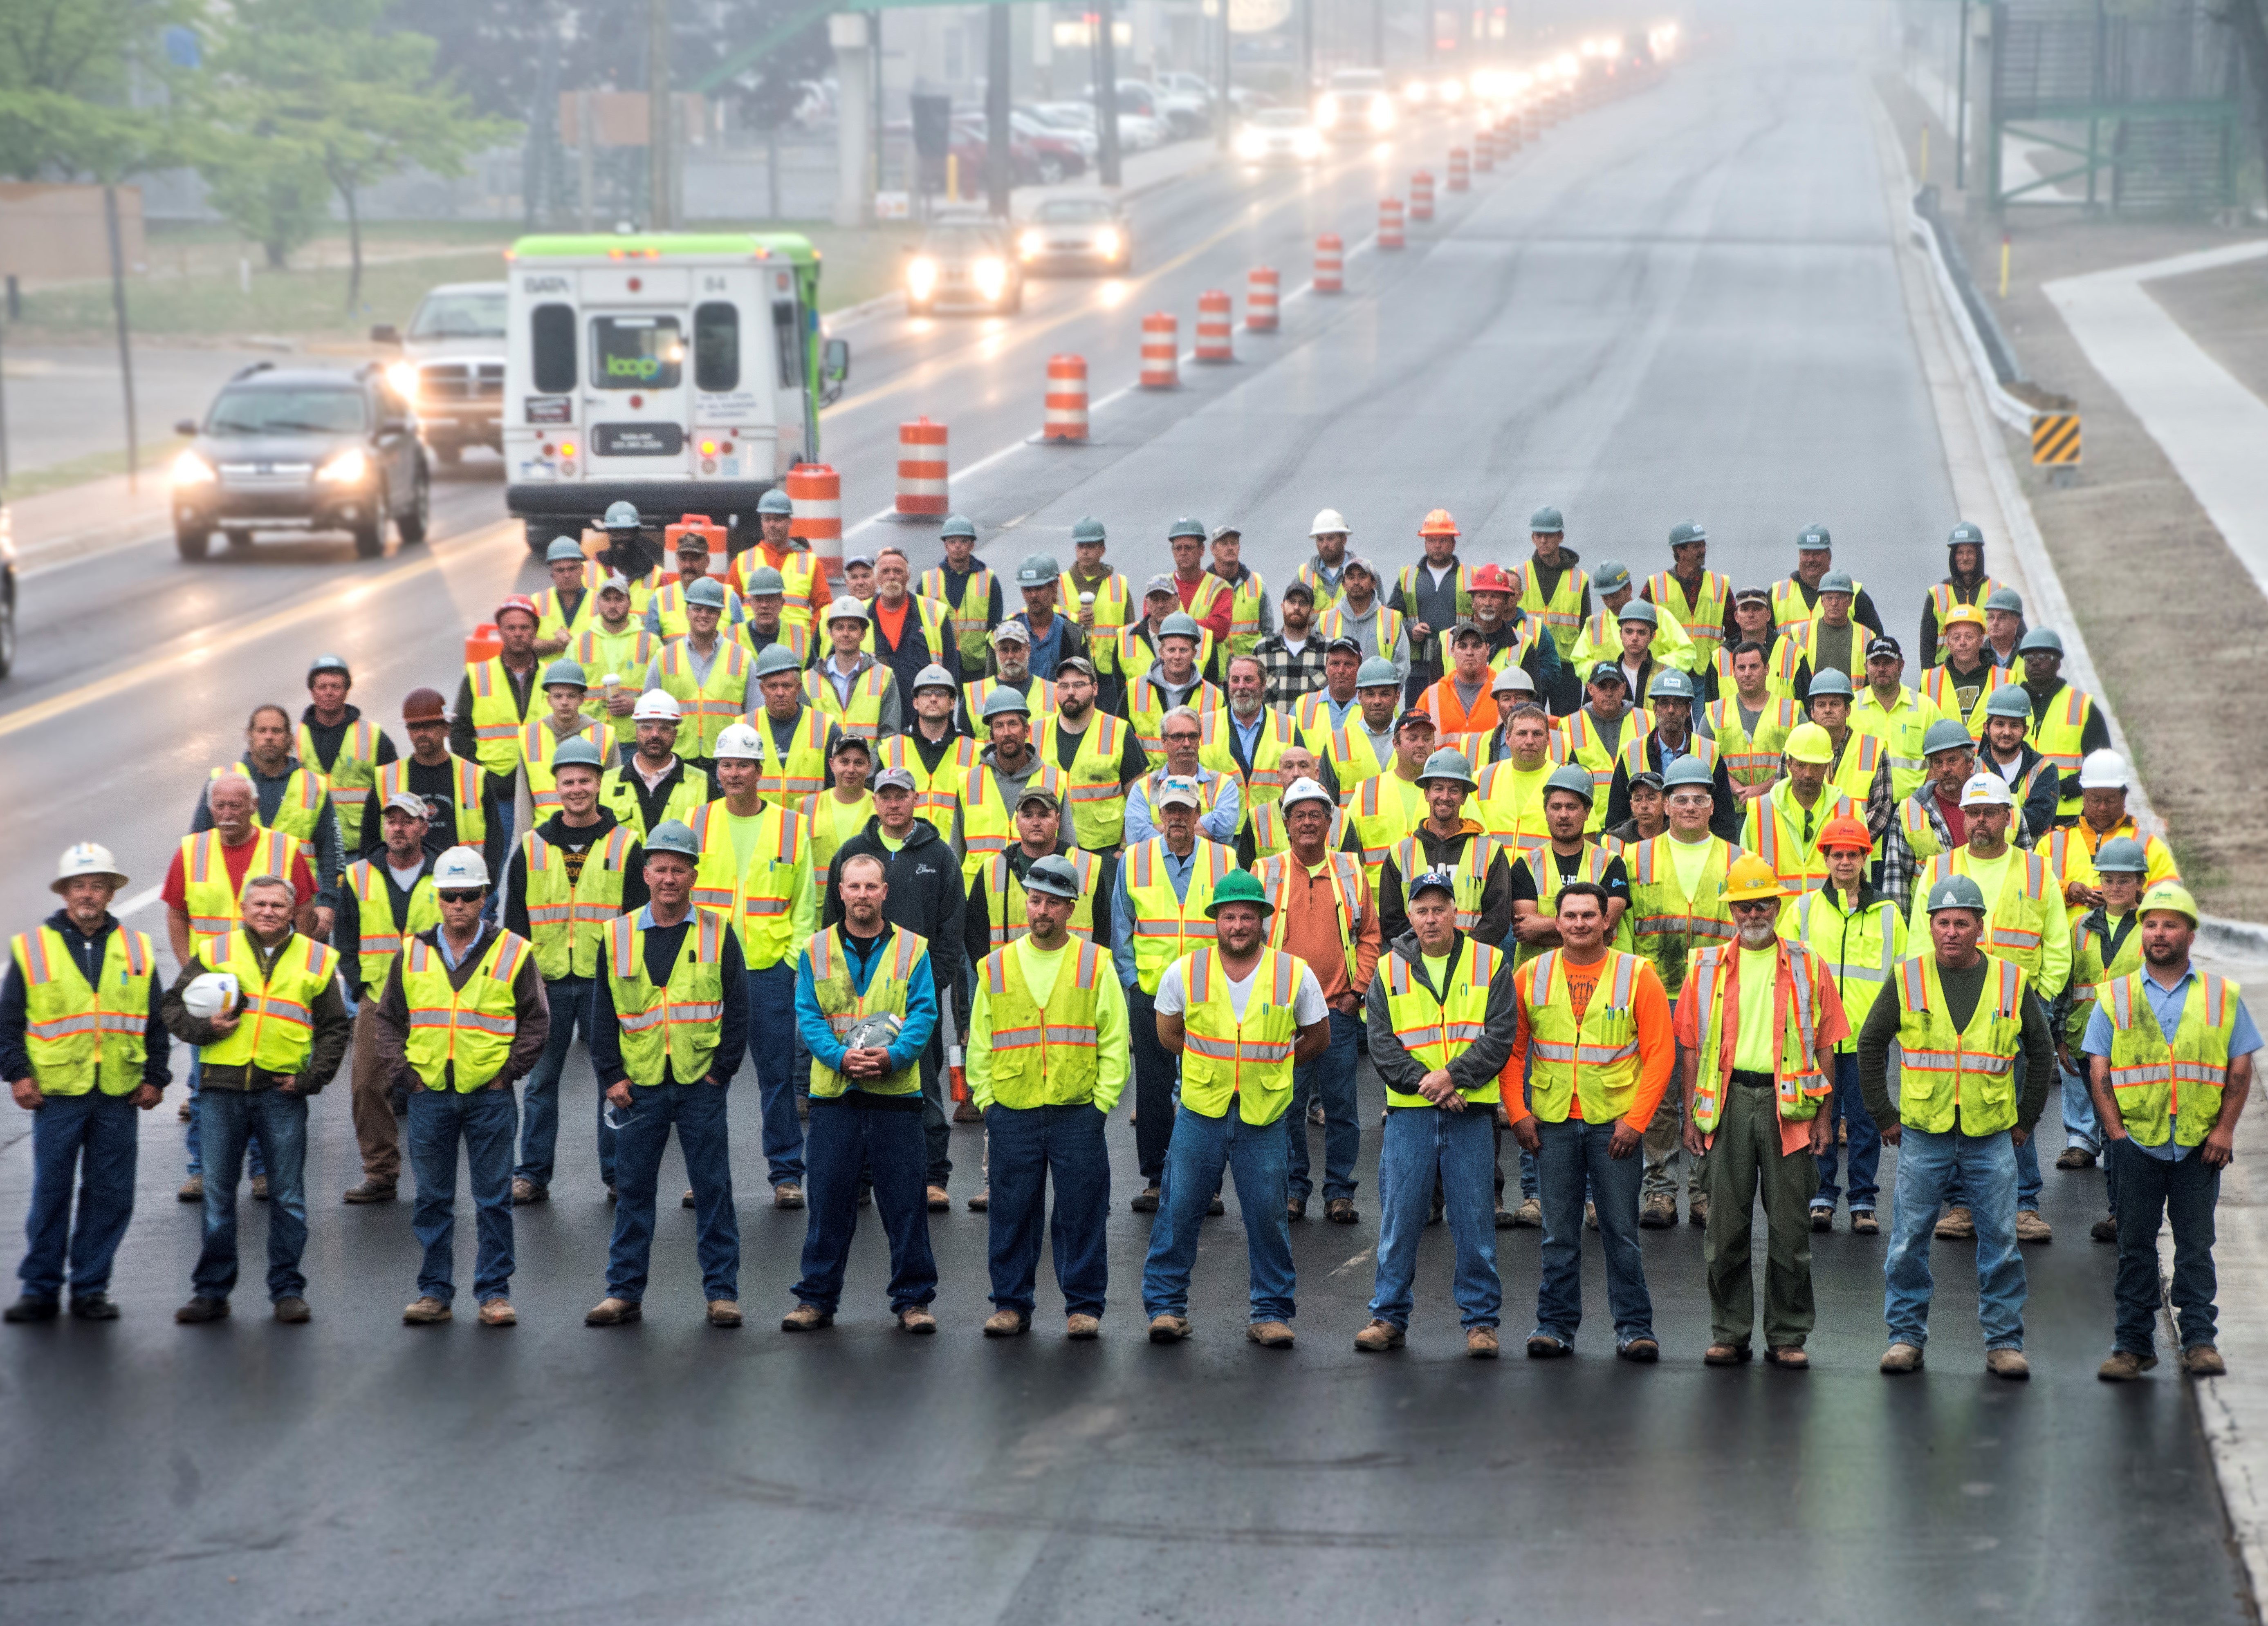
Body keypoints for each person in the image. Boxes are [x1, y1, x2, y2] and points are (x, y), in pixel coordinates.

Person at [1860, 874, 2057, 1379]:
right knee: (1908, 1240)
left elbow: (2040, 1051)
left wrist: (2027, 1119)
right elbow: (1870, 1043)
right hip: (1924, 1134)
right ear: (1930, 926)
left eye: (1962, 923)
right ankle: (1905, 1338)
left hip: (1991, 1136)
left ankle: (2004, 1343)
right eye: (1943, 922)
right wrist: (1884, 1114)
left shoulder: (2012, 982)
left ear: (1979, 927)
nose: (1951, 932)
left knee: (2001, 1243)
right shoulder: (1907, 979)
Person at [1141, 871, 1332, 1348]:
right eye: (1230, 916)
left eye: (1248, 916)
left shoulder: (1294, 973)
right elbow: (1168, 1033)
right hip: (1201, 1112)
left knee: (1268, 1217)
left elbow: (1318, 1037)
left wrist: (1276, 1065)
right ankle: (1167, 1308)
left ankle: (1270, 1312)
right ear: (1216, 922)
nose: (1239, 925)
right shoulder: (1184, 972)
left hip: (1264, 1117)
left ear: (1263, 919)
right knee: (1179, 1209)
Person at [1677, 854, 1848, 1368]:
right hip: (1727, 1106)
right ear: (1732, 911)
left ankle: (1788, 1335)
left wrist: (1823, 1117)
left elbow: (1825, 1045)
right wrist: (1689, 1116)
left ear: (1776, 905)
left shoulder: (1807, 963)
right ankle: (1729, 1332)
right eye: (1744, 906)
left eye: (1762, 904)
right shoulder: (1704, 966)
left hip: (1788, 1108)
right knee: (1724, 1230)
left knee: (1791, 1231)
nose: (1753, 914)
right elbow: (1691, 1046)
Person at [2085, 882, 2260, 1381]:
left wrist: (2225, 1131)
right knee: (2135, 1247)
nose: (2159, 934)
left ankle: (2200, 1342)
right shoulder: (2116, 996)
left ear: (2190, 933)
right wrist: (2116, 1136)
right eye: (2152, 924)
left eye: (2170, 924)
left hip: (2199, 1146)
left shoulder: (2221, 996)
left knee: (2196, 1247)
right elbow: (2099, 1069)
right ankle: (2133, 1346)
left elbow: (2240, 1066)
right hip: (2136, 1142)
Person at [162, 874, 352, 1324]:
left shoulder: (317, 959)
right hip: (220, 1093)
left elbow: (334, 1029)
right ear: (244, 910)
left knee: (287, 1197)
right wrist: (207, 1030)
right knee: (219, 1196)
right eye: (259, 905)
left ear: (294, 913)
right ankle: (211, 1292)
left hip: (281, 1095)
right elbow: (172, 1007)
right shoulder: (216, 953)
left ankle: (287, 1290)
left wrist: (311, 1079)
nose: (268, 912)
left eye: (278, 906)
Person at [374, 847, 547, 1327]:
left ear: (485, 897)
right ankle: (434, 1292)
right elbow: (388, 1021)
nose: (458, 905)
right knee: (432, 1199)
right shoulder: (412, 952)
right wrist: (407, 1079)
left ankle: (494, 1294)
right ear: (437, 897)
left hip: (489, 1097)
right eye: (449, 896)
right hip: (430, 1096)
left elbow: (537, 1021)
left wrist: (506, 1073)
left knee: (493, 1200)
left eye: (468, 896)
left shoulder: (512, 951)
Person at [1503, 881, 1676, 1361]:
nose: (1580, 924)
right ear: (1556, 923)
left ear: (1606, 921)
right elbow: (1513, 1052)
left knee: (1621, 1232)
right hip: (1552, 1124)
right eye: (1571, 916)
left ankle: (1636, 1329)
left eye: (1589, 916)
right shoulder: (1531, 975)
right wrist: (1518, 1114)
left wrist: (1637, 1121)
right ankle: (1554, 1327)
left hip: (1614, 1126)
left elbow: (1660, 1055)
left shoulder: (1638, 974)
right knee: (1558, 1233)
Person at [585, 822, 749, 1328]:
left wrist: (721, 1073)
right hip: (639, 1088)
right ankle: (624, 1292)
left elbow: (738, 1009)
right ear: (646, 873)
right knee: (634, 1193)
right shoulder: (617, 936)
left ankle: (722, 1294)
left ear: (693, 875)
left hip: (700, 1083)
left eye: (679, 869)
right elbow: (603, 1014)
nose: (669, 878)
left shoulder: (719, 932)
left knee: (713, 1190)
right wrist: (611, 1075)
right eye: (661, 869)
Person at [2, 845, 169, 1324]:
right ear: (65, 892)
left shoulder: (136, 948)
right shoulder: (35, 947)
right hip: (56, 1094)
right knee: (51, 1193)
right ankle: (40, 1289)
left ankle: (91, 1288)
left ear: (112, 892)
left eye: (98, 885)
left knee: (111, 1194)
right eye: (80, 885)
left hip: (118, 1093)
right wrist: (18, 1074)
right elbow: (9, 1022)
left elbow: (155, 1020)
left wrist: (156, 1076)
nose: (88, 894)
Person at [1358, 867, 1519, 1357]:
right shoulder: (1388, 969)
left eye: (1440, 909)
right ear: (1410, 916)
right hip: (1410, 1113)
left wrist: (1452, 1077)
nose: (1431, 919)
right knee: (1401, 1220)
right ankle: (1387, 1317)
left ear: (1456, 912)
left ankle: (1481, 1324)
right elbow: (1381, 1044)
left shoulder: (1490, 962)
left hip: (1471, 1111)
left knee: (1474, 1223)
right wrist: (1431, 1086)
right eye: (1422, 910)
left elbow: (1500, 1035)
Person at [966, 854, 1129, 1338]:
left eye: (1053, 903)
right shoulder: (995, 966)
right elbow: (981, 1039)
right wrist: (986, 1101)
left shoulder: (1094, 962)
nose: (1042, 911)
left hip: (1077, 1110)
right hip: (1012, 1110)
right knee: (1011, 1213)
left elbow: (1114, 1039)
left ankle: (1083, 1307)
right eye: (1035, 900)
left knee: (1081, 1212)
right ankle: (1011, 1304)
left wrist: (1102, 1102)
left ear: (1071, 909)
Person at [785, 851, 943, 1333]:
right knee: (829, 1202)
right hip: (835, 1097)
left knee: (905, 1205)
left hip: (896, 1096)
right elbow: (808, 1017)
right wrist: (838, 1057)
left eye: (871, 887)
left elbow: (924, 1014)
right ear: (841, 891)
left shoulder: (913, 948)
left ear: (885, 892)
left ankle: (914, 1302)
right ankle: (816, 1300)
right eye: (854, 887)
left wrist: (894, 1057)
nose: (862, 896)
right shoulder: (815, 949)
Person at [1909, 772, 2071, 1245]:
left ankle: (2023, 1205)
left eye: (1990, 813)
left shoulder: (2038, 872)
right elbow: (1920, 944)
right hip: (1950, 1008)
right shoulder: (1938, 871)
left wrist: (2038, 1004)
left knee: (2013, 1108)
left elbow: (2057, 945)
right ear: (1963, 816)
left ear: (2008, 816)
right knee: (1956, 1105)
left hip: (2014, 1013)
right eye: (1973, 813)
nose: (1980, 821)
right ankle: (1962, 1205)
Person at [163, 773, 320, 1202]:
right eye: (220, 806)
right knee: (205, 1080)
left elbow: (305, 910)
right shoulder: (192, 851)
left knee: (265, 1079)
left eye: (236, 806)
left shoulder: (283, 849)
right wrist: (191, 973)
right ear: (211, 808)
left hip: (272, 987)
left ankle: (264, 1170)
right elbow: (177, 914)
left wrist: (294, 961)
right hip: (213, 993)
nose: (227, 814)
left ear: (253, 806)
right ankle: (201, 1169)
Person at [503, 739, 646, 1204]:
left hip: (605, 983)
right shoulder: (531, 848)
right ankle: (532, 1175)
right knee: (542, 1083)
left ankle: (618, 1174)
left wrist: (629, 982)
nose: (578, 788)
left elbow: (637, 921)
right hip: (546, 982)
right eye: (569, 781)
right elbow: (516, 925)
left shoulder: (627, 845)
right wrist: (524, 983)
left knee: (614, 1082)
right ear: (556, 786)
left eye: (586, 779)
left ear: (599, 783)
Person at [685, 724, 817, 1215]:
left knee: (777, 1078)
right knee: (704, 1079)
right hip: (707, 970)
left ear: (760, 772)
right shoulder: (695, 821)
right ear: (717, 771)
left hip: (768, 971)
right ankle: (706, 1178)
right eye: (726, 765)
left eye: (743, 765)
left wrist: (792, 962)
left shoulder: (791, 826)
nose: (734, 773)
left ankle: (786, 1175)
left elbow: (806, 902)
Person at [824, 767, 969, 1210]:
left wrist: (933, 981)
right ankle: (862, 1178)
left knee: (922, 1082)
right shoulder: (853, 852)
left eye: (901, 796)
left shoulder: (940, 856)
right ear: (875, 801)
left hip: (916, 994)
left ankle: (932, 1175)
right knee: (857, 1080)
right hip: (859, 993)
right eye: (885, 795)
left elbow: (951, 927)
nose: (893, 804)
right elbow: (832, 921)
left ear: (915, 800)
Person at [1113, 778, 1241, 1209]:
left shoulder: (1225, 859)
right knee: (1152, 1088)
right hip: (1150, 992)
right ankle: (1156, 1179)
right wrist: (1132, 981)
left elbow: (1236, 923)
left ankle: (1210, 1185)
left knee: (1209, 1086)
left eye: (1186, 810)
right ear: (1159, 814)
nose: (1178, 819)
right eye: (1170, 810)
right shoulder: (1134, 860)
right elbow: (1120, 927)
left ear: (1197, 813)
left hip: (1210, 994)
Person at [1259, 777, 1382, 1223]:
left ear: (1330, 822)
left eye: (1316, 814)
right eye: (1299, 815)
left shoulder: (1350, 869)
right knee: (1287, 1105)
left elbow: (1369, 935)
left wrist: (1357, 991)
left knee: (1341, 1105)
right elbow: (1249, 935)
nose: (1307, 822)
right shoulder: (1265, 871)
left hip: (1337, 1010)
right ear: (1286, 824)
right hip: (1282, 1012)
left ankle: (1340, 1192)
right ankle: (1294, 1189)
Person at [1623, 756, 1737, 1227]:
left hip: (1716, 994)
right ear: (1665, 806)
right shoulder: (1634, 858)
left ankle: (1705, 1190)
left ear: (1712, 807)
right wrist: (1632, 986)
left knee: (1709, 1094)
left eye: (1699, 799)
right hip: (1655, 991)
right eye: (1681, 799)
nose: (1690, 807)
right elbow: (1624, 927)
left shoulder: (1738, 861)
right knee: (1660, 1095)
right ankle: (1660, 1191)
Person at [1785, 817, 1903, 1235]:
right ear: (1826, 859)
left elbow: (1902, 976)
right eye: (1838, 855)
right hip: (1815, 1038)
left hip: (1866, 1040)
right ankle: (1821, 1195)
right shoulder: (1802, 909)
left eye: (1853, 854)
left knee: (1866, 1118)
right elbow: (1783, 969)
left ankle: (1864, 1200)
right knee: (1819, 1113)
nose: (1845, 862)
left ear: (1865, 858)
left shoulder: (1888, 913)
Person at [336, 792, 437, 1205]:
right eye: (392, 820)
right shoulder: (359, 876)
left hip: (432, 998)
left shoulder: (442, 872)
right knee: (366, 1086)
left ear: (423, 828)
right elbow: (345, 935)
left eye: (407, 821)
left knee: (432, 1089)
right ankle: (381, 1172)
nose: (398, 828)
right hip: (378, 999)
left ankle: (434, 1177)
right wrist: (359, 986)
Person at [190, 703, 343, 933]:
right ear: (249, 736)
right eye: (262, 731)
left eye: (277, 731)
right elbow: (197, 848)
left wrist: (328, 903)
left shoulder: (312, 786)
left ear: (289, 738)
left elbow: (332, 851)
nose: (269, 737)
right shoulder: (223, 780)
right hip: (239, 913)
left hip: (296, 912)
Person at [2061, 837, 2150, 1192]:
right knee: (2106, 1117)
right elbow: (2067, 985)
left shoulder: (2149, 927)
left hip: (2133, 1041)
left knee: (2125, 1122)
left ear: (2140, 883)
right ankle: (2119, 1208)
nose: (2114, 887)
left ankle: (2121, 1210)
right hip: (2085, 1040)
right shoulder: (2080, 928)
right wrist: (2060, 1037)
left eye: (2124, 880)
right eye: (2107, 880)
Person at [1374, 749, 1516, 949]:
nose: (1445, 796)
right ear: (1426, 793)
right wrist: (1426, 954)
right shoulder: (1401, 854)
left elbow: (1497, 920)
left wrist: (1461, 954)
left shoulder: (1490, 853)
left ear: (1465, 797)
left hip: (1471, 964)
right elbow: (1392, 920)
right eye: (1438, 788)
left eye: (1454, 790)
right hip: (1416, 965)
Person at [1507, 765, 1632, 966]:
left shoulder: (1610, 863)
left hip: (1603, 977)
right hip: (1542, 979)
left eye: (1571, 807)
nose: (1563, 815)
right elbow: (1526, 931)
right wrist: (1590, 930)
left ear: (1587, 813)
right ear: (1546, 812)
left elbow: (1609, 926)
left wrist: (1542, 927)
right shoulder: (1526, 865)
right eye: (1556, 807)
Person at [453, 594, 543, 855]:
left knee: (539, 867)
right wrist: (482, 777)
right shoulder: (478, 675)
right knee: (492, 866)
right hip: (498, 791)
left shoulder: (552, 677)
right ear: (500, 632)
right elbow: (460, 734)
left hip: (541, 790)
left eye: (524, 628)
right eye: (511, 628)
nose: (518, 634)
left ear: (535, 630)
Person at [965, 786, 1099, 960]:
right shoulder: (993, 869)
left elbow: (1104, 932)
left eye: (1044, 815)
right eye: (1028, 816)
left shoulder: (1088, 866)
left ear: (1058, 821)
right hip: (1011, 980)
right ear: (1017, 821)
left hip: (1072, 977)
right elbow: (975, 933)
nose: (1036, 822)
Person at [1601, 670, 1737, 839]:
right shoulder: (1632, 752)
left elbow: (1724, 819)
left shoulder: (1709, 751)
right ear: (1655, 709)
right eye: (1664, 703)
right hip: (1645, 850)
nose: (1671, 710)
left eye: (1678, 703)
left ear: (1688, 710)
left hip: (1696, 847)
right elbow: (1616, 820)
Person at [1034, 657, 1146, 856]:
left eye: (1079, 685)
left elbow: (1139, 798)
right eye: (1064, 686)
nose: (1070, 692)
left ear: (1095, 688)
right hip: (1051, 850)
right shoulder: (1037, 732)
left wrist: (1123, 849)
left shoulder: (1118, 731)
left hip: (1105, 851)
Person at [373, 688, 493, 871]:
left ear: (446, 729)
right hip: (407, 880)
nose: (421, 733)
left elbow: (495, 838)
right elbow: (370, 837)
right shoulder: (387, 777)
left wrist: (486, 882)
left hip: (463, 880)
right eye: (414, 727)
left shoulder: (473, 775)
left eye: (429, 726)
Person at [1878, 718, 1989, 910]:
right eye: (1938, 762)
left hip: (1991, 918)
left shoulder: (1998, 804)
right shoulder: (1911, 812)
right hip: (1933, 924)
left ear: (1971, 762)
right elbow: (1896, 884)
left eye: (1953, 760)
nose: (1945, 769)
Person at [1736, 722, 1858, 896]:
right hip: (1777, 921)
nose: (1808, 774)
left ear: (1827, 766)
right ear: (1789, 764)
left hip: (1833, 921)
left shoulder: (1850, 811)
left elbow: (1861, 882)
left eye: (1815, 766)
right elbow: (1745, 877)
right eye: (1801, 765)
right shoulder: (1760, 811)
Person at [645, 578, 753, 770]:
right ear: (687, 611)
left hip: (728, 762)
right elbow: (649, 714)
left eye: (711, 610)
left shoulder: (742, 658)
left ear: (720, 614)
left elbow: (755, 716)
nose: (704, 615)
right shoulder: (664, 657)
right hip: (675, 760)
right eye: (698, 609)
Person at [297, 653, 396, 856]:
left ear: (346, 691)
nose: (329, 693)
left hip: (361, 849)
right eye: (322, 687)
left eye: (336, 687)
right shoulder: (294, 739)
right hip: (311, 849)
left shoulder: (373, 736)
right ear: (312, 691)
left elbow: (393, 790)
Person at [2015, 628, 2111, 823]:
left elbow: (2103, 763)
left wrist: (2064, 788)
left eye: (2043, 656)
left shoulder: (2082, 706)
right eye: (2029, 657)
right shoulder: (2011, 703)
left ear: (2058, 663)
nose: (2034, 662)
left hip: (2068, 813)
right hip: (2019, 811)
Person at [880, 663, 983, 843]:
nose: (933, 699)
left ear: (953, 703)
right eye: (927, 694)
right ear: (915, 702)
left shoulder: (974, 751)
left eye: (941, 694)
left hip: (954, 853)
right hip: (905, 850)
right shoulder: (890, 748)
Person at [2062, 750, 2180, 898]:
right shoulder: (2053, 844)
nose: (2103, 807)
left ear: (2124, 797)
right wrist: (2067, 890)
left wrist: (2133, 898)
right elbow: (2034, 893)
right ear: (2084, 796)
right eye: (2096, 800)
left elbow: (2171, 898)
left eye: (2110, 800)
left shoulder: (2150, 846)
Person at [598, 691, 711, 840]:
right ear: (636, 731)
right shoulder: (606, 783)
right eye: (647, 727)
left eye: (664, 728)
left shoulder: (703, 784)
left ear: (675, 734)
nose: (655, 734)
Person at [1125, 704, 1241, 848]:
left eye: (1193, 736)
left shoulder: (1224, 785)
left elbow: (1223, 830)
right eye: (1178, 737)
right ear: (1163, 741)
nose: (1186, 744)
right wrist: (1203, 831)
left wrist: (1162, 830)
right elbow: (1137, 838)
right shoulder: (1142, 788)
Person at [1848, 634, 1944, 806]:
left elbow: (1941, 757)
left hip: (1913, 808)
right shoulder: (1850, 708)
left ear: (1901, 666)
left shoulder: (1925, 707)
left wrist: (1923, 798)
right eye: (1875, 663)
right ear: (1866, 667)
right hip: (1863, 808)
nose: (1881, 669)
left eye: (1888, 663)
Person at [1555, 664, 1651, 834]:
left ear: (1623, 689)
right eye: (1602, 687)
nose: (1608, 693)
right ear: (1590, 689)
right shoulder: (1571, 725)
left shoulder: (1647, 720)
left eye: (1614, 687)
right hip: (1591, 826)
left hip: (1638, 824)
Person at [1800, 670, 1894, 838]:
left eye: (1835, 704)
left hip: (1857, 856)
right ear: (1812, 712)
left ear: (1848, 710)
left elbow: (1882, 809)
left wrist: (1847, 843)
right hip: (1807, 856)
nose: (1828, 710)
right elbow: (1785, 802)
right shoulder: (1797, 748)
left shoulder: (1871, 750)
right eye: (1821, 705)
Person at [1568, 561, 1699, 683]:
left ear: (1629, 588)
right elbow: (1579, 661)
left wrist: (1655, 668)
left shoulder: (1659, 616)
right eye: (1605, 598)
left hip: (1652, 693)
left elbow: (1686, 652)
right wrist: (1595, 669)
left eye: (1615, 596)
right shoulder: (1594, 624)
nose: (1610, 603)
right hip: (1613, 696)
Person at [1389, 508, 1472, 699]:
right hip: (1418, 669)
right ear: (1425, 543)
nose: (1437, 546)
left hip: (1457, 667)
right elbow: (1390, 618)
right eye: (1432, 540)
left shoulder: (1471, 576)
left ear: (1453, 543)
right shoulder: (1408, 577)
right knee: (1418, 719)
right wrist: (1410, 630)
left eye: (1443, 540)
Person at [1513, 506, 1590, 707]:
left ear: (1561, 537)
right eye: (1539, 535)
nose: (1543, 541)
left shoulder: (1579, 579)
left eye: (1549, 535)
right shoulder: (1517, 575)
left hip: (1567, 669)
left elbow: (1585, 629)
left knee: (1566, 728)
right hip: (1528, 663)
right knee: (1526, 723)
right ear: (1533, 538)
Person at [1707, 641, 1799, 805]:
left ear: (1767, 669)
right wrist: (1736, 788)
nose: (1747, 674)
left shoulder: (1792, 711)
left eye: (1754, 667)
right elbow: (1703, 758)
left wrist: (1762, 789)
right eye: (1741, 668)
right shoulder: (1715, 712)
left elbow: (1802, 760)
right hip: (1729, 810)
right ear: (1734, 672)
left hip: (1778, 807)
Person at [1125, 611, 1225, 765]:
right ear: (1161, 653)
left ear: (1194, 654)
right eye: (1171, 650)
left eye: (1183, 650)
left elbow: (1220, 749)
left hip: (1196, 782)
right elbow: (1123, 744)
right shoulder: (1135, 690)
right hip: (1149, 784)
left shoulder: (1214, 697)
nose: (1177, 656)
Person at [521, 661, 615, 822]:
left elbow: (614, 793)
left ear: (582, 699)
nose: (564, 702)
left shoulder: (603, 734)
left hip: (591, 830)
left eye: (571, 696)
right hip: (544, 835)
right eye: (558, 696)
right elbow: (523, 797)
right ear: (549, 700)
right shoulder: (530, 735)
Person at [747, 643, 840, 805]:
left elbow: (838, 786)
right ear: (762, 689)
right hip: (762, 824)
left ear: (799, 688)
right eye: (773, 686)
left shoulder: (825, 727)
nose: (780, 693)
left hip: (809, 824)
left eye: (787, 686)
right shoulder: (745, 727)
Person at [727, 487, 828, 634]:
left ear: (790, 522)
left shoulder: (810, 563)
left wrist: (811, 637)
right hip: (752, 646)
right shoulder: (742, 562)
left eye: (778, 519)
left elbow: (824, 609)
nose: (773, 525)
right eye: (768, 519)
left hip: (795, 647)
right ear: (762, 522)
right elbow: (728, 609)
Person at [861, 547, 959, 696]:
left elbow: (951, 666)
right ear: (876, 578)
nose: (892, 576)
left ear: (908, 576)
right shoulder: (860, 613)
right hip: (875, 709)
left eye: (898, 571)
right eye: (886, 571)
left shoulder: (934, 612)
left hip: (923, 709)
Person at [805, 596, 903, 744]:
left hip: (868, 766)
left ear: (863, 634)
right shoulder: (809, 680)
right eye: (839, 628)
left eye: (852, 627)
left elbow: (889, 737)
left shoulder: (884, 676)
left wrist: (867, 766)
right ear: (830, 633)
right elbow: (804, 735)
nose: (846, 633)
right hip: (823, 766)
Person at [1765, 569, 1869, 702]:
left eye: (1840, 598)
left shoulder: (1867, 636)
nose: (1834, 603)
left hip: (1852, 709)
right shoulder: (1800, 633)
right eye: (1829, 598)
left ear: (1850, 602)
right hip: (1813, 708)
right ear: (1822, 601)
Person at [1975, 685, 2062, 842]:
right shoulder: (1973, 768)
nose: (2007, 732)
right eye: (2000, 724)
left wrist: (1988, 817)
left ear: (2026, 730)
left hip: (2030, 863)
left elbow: (2038, 821)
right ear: (1987, 729)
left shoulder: (2044, 769)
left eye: (2014, 725)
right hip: (1984, 862)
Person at [1642, 520, 1734, 670]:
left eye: (1704, 545)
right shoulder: (1656, 585)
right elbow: (1639, 626)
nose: (1703, 550)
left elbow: (1734, 633)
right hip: (1667, 671)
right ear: (1680, 551)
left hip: (1708, 673)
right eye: (1697, 546)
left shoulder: (1720, 584)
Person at [1768, 524, 1882, 642]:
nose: (1811, 560)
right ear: (1799, 556)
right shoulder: (1777, 594)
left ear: (1829, 558)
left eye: (1817, 554)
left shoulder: (1853, 592)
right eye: (1806, 553)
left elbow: (1877, 642)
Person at [920, 515, 1003, 674]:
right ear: (945, 545)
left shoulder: (988, 580)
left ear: (972, 545)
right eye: (952, 542)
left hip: (978, 667)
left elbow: (996, 626)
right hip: (940, 666)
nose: (958, 546)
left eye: (963, 541)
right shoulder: (928, 581)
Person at [1314, 654, 1402, 803]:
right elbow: (1326, 803)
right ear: (1359, 697)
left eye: (1385, 694)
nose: (1377, 701)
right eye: (1370, 694)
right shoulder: (1338, 743)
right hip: (1351, 827)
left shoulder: (1412, 738)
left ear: (1397, 697)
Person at [1915, 521, 2002, 668]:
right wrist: (1929, 679)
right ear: (1953, 557)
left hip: (1988, 672)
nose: (1965, 558)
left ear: (1978, 555)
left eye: (1970, 552)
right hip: (1946, 675)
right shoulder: (1937, 594)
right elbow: (1927, 646)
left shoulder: (1998, 592)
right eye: (1960, 553)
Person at [1474, 699, 1557, 852]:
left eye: (1537, 734)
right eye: (1522, 734)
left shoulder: (1565, 780)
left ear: (1548, 739)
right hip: (1493, 875)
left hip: (1544, 875)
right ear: (1508, 738)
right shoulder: (1482, 779)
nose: (1530, 741)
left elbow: (1584, 847)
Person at [1314, 557, 1410, 690]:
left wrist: (1382, 698)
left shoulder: (1391, 619)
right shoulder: (1326, 620)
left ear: (1373, 583)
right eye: (1351, 577)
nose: (1357, 582)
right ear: (1344, 584)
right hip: (1337, 704)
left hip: (1378, 705)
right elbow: (1316, 665)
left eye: (1362, 577)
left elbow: (1402, 667)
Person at [1919, 602, 2010, 738]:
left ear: (1981, 641)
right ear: (1948, 643)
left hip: (1990, 760)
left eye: (1969, 637)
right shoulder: (1930, 680)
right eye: (1956, 638)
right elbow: (1919, 729)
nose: (1963, 643)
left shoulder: (2005, 680)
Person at [801, 735, 876, 880]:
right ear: (832, 765)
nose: (851, 769)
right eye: (844, 762)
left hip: (863, 899)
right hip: (819, 901)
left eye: (859, 763)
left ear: (869, 767)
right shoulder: (806, 807)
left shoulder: (880, 808)